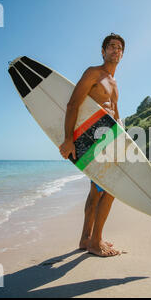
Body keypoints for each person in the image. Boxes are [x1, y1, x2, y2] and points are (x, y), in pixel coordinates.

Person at [59, 33, 125, 257]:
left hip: (108, 139)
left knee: (95, 192)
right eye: (112, 46)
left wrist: (121, 141)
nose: (116, 50)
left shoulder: (115, 84)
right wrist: (68, 139)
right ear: (103, 51)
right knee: (111, 187)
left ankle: (86, 238)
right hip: (92, 136)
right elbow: (73, 104)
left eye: (119, 48)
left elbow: (115, 115)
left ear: (122, 54)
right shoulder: (93, 73)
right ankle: (96, 242)